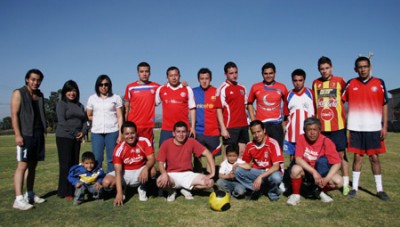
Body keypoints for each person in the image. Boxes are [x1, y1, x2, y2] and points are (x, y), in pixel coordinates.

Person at [342, 56, 390, 201]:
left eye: (365, 66)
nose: (363, 69)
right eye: (360, 67)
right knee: (357, 157)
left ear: (370, 67)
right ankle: (354, 188)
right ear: (355, 69)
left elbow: (385, 104)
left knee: (374, 158)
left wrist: (385, 126)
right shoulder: (351, 83)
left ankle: (380, 190)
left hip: (374, 128)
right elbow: (340, 102)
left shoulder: (379, 83)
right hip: (356, 128)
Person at [312, 56, 350, 195]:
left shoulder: (340, 81)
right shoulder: (316, 83)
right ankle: (324, 181)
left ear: (331, 68)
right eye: (322, 69)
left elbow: (346, 100)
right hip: (322, 129)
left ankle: (346, 184)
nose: (324, 71)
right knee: (322, 156)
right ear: (318, 70)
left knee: (341, 155)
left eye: (327, 68)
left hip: (337, 127)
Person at [10, 69, 46, 210]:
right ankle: (18, 199)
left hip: (37, 134)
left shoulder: (40, 95)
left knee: (33, 166)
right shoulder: (18, 93)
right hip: (25, 134)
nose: (35, 82)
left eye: (38, 80)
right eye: (33, 79)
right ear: (27, 79)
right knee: (22, 165)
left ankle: (29, 194)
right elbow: (14, 115)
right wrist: (18, 135)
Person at [286, 117, 343, 206]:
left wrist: (326, 178)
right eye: (309, 130)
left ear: (319, 130)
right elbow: (298, 159)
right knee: (295, 169)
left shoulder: (326, 141)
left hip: (321, 171)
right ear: (304, 131)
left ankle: (318, 190)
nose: (312, 133)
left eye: (314, 130)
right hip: (306, 171)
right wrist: (314, 172)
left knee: (339, 182)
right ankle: (296, 195)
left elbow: (337, 163)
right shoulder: (301, 138)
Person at [156, 121, 215, 202]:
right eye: (178, 132)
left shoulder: (191, 141)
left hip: (188, 175)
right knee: (159, 182)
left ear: (187, 133)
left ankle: (185, 189)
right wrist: (164, 173)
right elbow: (160, 163)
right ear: (173, 133)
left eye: (184, 132)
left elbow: (208, 154)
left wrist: (213, 172)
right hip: (172, 175)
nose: (181, 134)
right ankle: (171, 191)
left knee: (210, 183)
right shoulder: (166, 144)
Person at [102, 121, 155, 206]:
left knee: (152, 170)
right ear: (122, 135)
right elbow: (118, 172)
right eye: (127, 134)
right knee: (106, 182)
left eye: (132, 133)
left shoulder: (144, 141)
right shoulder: (119, 149)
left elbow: (152, 159)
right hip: (125, 173)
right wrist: (119, 193)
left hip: (140, 170)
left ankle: (142, 187)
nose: (130, 136)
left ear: (136, 132)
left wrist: (146, 168)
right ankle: (122, 189)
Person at [234, 120, 284, 201]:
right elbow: (247, 164)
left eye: (259, 131)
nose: (257, 135)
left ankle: (273, 193)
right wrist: (238, 165)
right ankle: (257, 189)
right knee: (237, 171)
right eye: (254, 133)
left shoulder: (273, 143)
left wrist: (260, 177)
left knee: (276, 177)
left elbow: (276, 166)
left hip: (270, 172)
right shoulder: (250, 145)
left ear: (264, 130)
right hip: (257, 172)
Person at [56, 80, 88, 200]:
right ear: (65, 92)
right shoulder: (61, 104)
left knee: (74, 164)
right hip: (64, 137)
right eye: (69, 90)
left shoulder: (80, 105)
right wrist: (75, 133)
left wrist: (83, 132)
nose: (72, 93)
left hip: (77, 138)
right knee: (65, 164)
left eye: (74, 90)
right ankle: (65, 191)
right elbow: (62, 122)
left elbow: (85, 121)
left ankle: (74, 187)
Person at [86, 75, 123, 173]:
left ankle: (110, 184)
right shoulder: (92, 98)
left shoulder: (116, 98)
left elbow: (120, 116)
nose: (103, 87)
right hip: (97, 132)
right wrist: (98, 118)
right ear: (97, 86)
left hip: (112, 131)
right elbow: (89, 115)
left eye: (106, 84)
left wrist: (120, 134)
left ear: (109, 85)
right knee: (97, 158)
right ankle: (98, 182)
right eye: (101, 84)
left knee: (111, 159)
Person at [247, 62, 288, 150]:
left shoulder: (282, 87)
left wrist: (285, 120)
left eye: (271, 73)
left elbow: (287, 103)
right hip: (261, 125)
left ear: (275, 73)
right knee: (260, 151)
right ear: (262, 74)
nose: (268, 76)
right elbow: (249, 103)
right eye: (265, 73)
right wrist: (253, 120)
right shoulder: (255, 87)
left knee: (277, 151)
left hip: (276, 124)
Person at [155, 66, 196, 147]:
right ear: (167, 77)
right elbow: (154, 103)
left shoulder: (187, 89)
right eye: (171, 76)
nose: (174, 78)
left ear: (179, 76)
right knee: (164, 154)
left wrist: (193, 127)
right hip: (167, 129)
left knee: (183, 155)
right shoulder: (161, 89)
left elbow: (192, 108)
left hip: (183, 129)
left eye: (176, 75)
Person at [216, 61, 249, 156]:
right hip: (230, 126)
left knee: (242, 153)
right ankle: (224, 171)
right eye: (231, 73)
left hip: (243, 125)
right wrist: (223, 128)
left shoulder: (242, 87)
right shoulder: (222, 88)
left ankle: (238, 171)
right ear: (225, 74)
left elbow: (246, 106)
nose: (234, 75)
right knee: (229, 154)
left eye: (236, 72)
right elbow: (218, 109)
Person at [192, 68, 221, 173]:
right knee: (197, 157)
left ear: (211, 79)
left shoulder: (216, 91)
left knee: (211, 157)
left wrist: (222, 128)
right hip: (198, 131)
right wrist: (182, 84)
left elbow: (220, 111)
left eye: (207, 78)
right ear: (198, 79)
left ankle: (210, 178)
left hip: (213, 131)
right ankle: (197, 178)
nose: (204, 81)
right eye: (202, 78)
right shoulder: (192, 91)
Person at [124, 62, 160, 144]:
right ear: (138, 73)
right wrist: (125, 124)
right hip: (133, 125)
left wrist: (182, 84)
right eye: (142, 71)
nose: (144, 74)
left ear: (150, 73)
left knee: (149, 152)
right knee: (133, 152)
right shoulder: (130, 87)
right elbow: (126, 108)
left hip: (148, 125)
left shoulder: (156, 87)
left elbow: (168, 88)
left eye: (146, 71)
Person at [284, 69, 315, 160]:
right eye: (295, 80)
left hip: (308, 132)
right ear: (292, 80)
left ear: (304, 80)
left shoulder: (311, 93)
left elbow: (316, 112)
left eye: (300, 80)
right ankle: (292, 173)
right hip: (292, 132)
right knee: (293, 157)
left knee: (308, 156)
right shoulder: (288, 95)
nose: (297, 83)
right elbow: (286, 115)